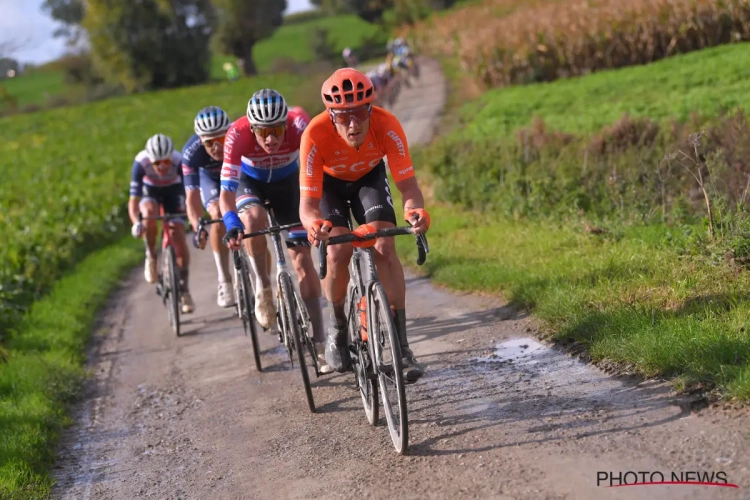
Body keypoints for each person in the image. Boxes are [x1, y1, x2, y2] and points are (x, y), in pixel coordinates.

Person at [298, 68, 431, 383]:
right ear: (331, 116)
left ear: (371, 108)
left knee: (385, 245)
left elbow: (409, 189)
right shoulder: (314, 135)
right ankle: (338, 328)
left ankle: (401, 344)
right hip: (328, 187)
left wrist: (416, 212)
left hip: (368, 179)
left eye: (359, 113)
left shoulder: (388, 125)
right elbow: (307, 206)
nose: (353, 124)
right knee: (338, 251)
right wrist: (314, 225)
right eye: (343, 117)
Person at [219, 89, 331, 374]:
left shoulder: (299, 124)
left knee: (303, 260)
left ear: (286, 124)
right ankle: (263, 285)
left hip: (288, 186)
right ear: (251, 128)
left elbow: (318, 171)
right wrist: (232, 222)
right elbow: (226, 191)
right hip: (251, 183)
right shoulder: (237, 133)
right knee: (253, 220)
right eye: (263, 132)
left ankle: (320, 342)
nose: (270, 139)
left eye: (277, 130)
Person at [128, 134, 195, 314]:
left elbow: (190, 194)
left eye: (166, 161)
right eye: (157, 163)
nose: (163, 166)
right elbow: (133, 201)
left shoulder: (180, 161)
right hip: (150, 190)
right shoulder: (140, 163)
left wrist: (192, 217)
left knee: (177, 234)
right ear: (150, 160)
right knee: (149, 215)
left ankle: (185, 290)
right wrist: (136, 222)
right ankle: (151, 255)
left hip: (174, 191)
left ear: (171, 157)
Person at [183, 106, 236, 308]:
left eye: (221, 140)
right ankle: (224, 280)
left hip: (235, 175)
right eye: (209, 142)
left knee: (249, 217)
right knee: (216, 212)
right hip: (210, 180)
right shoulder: (191, 152)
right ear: (200, 141)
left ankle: (262, 285)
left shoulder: (237, 137)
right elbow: (192, 198)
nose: (216, 147)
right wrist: (198, 228)